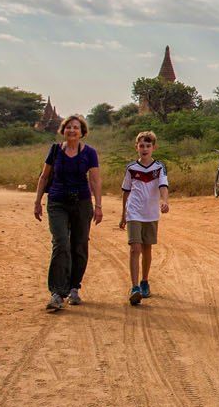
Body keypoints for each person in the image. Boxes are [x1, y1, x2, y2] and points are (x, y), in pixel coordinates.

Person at [32, 114, 102, 311]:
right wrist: (37, 202)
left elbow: (95, 180)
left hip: (81, 201)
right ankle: (56, 292)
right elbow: (44, 177)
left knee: (79, 246)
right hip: (57, 201)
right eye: (69, 127)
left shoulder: (89, 153)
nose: (72, 130)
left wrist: (98, 206)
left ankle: (73, 288)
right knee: (61, 243)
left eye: (76, 128)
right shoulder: (55, 150)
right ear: (63, 130)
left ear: (82, 132)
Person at [119, 131, 169, 306]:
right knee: (135, 248)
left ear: (154, 148)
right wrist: (123, 214)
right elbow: (126, 191)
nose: (145, 149)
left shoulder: (159, 167)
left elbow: (163, 186)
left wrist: (164, 201)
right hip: (134, 212)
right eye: (141, 145)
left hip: (151, 213)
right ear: (136, 147)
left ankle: (144, 280)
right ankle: (134, 287)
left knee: (147, 249)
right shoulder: (131, 168)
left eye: (148, 146)